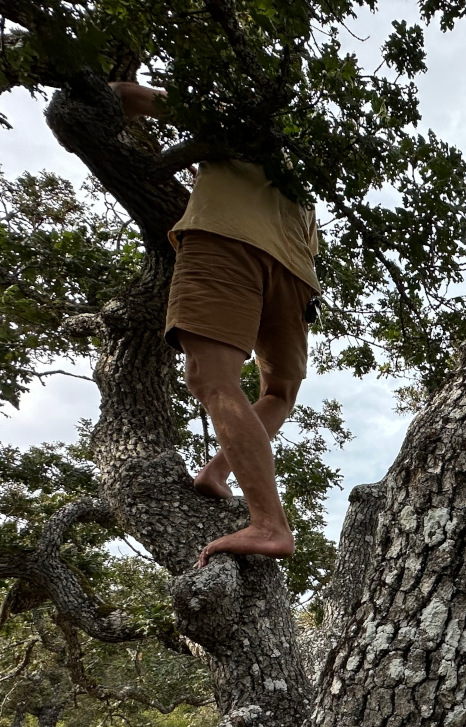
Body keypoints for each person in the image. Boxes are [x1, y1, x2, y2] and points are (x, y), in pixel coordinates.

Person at [109, 81, 321, 566]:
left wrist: (96, 87)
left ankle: (268, 524)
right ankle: (217, 473)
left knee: (212, 377)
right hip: (298, 276)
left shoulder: (234, 117)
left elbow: (130, 96)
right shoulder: (304, 183)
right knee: (281, 392)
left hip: (227, 239)